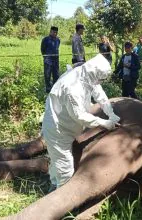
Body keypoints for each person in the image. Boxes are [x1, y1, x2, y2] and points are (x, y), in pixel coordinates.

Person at [42, 54, 121, 189]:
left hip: (66, 126)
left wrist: (111, 113)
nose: (100, 82)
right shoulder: (72, 87)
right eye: (100, 79)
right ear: (94, 73)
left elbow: (100, 95)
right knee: (65, 168)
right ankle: (61, 200)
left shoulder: (87, 76)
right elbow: (80, 116)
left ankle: (53, 186)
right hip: (58, 130)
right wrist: (105, 123)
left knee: (57, 163)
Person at [41, 26, 60, 93]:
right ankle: (48, 90)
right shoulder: (45, 39)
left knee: (56, 75)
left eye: (56, 32)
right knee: (47, 75)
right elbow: (42, 49)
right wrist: (46, 57)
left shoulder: (58, 40)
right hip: (48, 60)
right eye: (54, 32)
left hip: (56, 60)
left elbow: (57, 48)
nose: (55, 34)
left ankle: (55, 89)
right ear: (50, 31)